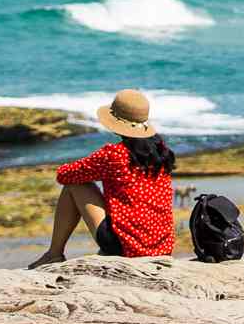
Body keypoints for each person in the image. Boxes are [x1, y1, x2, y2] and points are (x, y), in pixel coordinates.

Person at [28, 89, 175, 267]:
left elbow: (64, 175)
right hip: (162, 247)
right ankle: (58, 253)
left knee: (75, 185)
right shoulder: (161, 152)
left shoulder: (114, 154)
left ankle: (54, 253)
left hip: (127, 249)